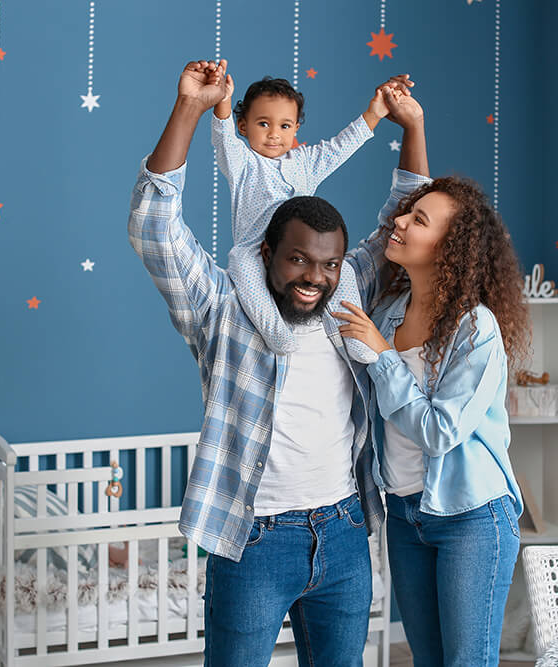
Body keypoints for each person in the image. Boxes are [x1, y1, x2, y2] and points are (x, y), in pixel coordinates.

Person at [127, 59, 430, 666]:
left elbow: (401, 229)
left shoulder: (349, 296)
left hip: (344, 532)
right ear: (267, 252)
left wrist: (412, 127)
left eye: (327, 264)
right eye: (297, 261)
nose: (313, 278)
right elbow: (154, 228)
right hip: (254, 540)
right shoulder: (222, 310)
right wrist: (191, 106)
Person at [335, 175, 531, 666]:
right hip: (404, 514)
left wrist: (384, 359)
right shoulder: (386, 316)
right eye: (408, 212)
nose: (398, 222)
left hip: (472, 518)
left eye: (418, 220)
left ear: (449, 248)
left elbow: (440, 430)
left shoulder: (475, 328)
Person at [214, 68, 388, 363]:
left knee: (342, 269)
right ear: (243, 126)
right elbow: (223, 138)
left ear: (295, 129)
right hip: (255, 250)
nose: (274, 134)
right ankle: (277, 333)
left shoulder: (304, 162)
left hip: (306, 253)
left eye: (284, 126)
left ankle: (355, 335)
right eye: (263, 124)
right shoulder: (243, 163)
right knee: (240, 265)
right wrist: (222, 101)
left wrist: (375, 113)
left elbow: (341, 147)